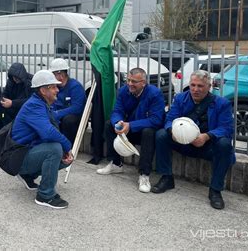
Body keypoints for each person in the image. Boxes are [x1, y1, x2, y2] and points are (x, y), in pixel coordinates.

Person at [151, 70, 235, 210]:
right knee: (161, 135)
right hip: (182, 142)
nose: (195, 89)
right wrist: (173, 131)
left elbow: (226, 128)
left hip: (206, 145)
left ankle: (215, 190)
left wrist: (206, 136)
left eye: (200, 86)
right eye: (193, 85)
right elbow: (170, 119)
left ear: (209, 86)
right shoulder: (180, 98)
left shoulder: (222, 103)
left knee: (224, 144)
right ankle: (166, 178)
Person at [11, 69, 74, 209]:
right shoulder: (34, 106)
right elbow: (48, 132)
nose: (57, 90)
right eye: (53, 87)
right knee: (55, 149)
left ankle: (28, 175)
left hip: (23, 152)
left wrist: (65, 151)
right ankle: (45, 196)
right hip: (17, 157)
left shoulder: (41, 103)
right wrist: (67, 146)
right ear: (43, 90)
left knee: (63, 158)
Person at [96, 68, 165, 193]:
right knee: (109, 125)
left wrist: (131, 125)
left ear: (143, 83)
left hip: (143, 130)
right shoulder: (123, 91)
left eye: (134, 81)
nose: (130, 84)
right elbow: (117, 111)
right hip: (128, 128)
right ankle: (116, 164)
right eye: (128, 80)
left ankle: (144, 175)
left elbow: (156, 120)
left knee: (148, 132)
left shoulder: (155, 94)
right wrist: (118, 123)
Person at [49, 58, 86, 144]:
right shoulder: (55, 87)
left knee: (68, 120)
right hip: (60, 116)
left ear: (62, 74)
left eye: (54, 74)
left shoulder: (75, 86)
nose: (54, 77)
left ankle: (69, 147)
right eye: (54, 74)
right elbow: (52, 103)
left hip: (75, 119)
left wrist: (58, 114)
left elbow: (77, 108)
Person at [0, 62, 33, 127]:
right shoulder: (11, 81)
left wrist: (12, 103)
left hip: (24, 107)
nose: (15, 79)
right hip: (11, 106)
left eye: (17, 78)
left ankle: (15, 127)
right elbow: (5, 93)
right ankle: (7, 126)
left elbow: (31, 100)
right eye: (14, 77)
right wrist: (3, 100)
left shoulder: (30, 82)